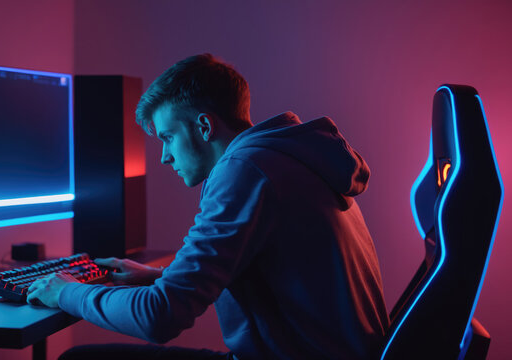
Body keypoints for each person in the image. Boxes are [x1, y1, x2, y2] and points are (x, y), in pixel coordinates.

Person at [26, 54, 390, 360]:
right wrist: (159, 276)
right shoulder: (287, 159)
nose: (165, 157)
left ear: (204, 126)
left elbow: (160, 317)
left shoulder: (246, 170)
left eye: (168, 137)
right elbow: (261, 272)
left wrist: (66, 291)